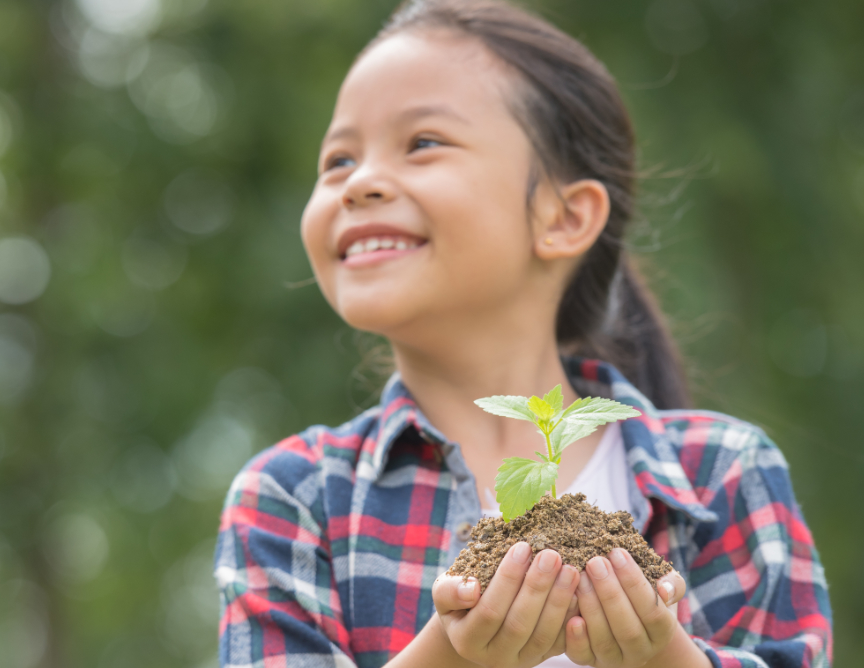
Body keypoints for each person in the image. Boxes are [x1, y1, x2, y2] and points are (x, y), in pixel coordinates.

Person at [213, 1, 833, 666]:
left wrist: (665, 658)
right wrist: (449, 655)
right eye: (337, 160)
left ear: (565, 217)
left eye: (422, 143)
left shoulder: (725, 476)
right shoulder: (292, 498)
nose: (359, 182)